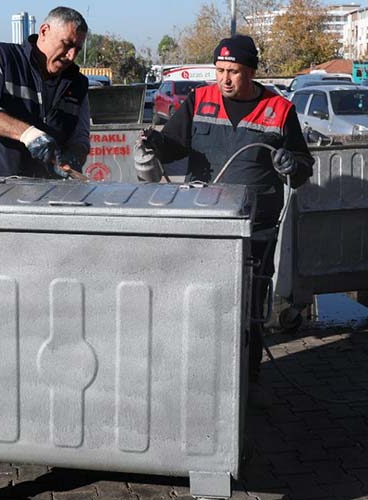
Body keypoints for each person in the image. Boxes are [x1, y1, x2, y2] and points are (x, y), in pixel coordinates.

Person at [134, 34, 314, 390]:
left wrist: (290, 163)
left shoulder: (279, 110)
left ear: (251, 72)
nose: (224, 79)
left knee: (248, 309)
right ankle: (198, 380)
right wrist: (155, 142)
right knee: (199, 303)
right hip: (204, 224)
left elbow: (304, 169)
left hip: (256, 228)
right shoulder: (199, 100)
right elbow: (172, 148)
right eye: (219, 70)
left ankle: (245, 384)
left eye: (233, 71)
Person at [0, 6, 90, 179]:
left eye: (77, 49)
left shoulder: (78, 84)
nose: (71, 56)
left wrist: (72, 159)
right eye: (66, 44)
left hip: (48, 194)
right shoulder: (2, 58)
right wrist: (29, 134)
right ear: (44, 31)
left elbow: (80, 138)